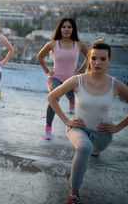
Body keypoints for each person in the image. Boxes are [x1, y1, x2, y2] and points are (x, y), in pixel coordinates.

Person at [47, 40, 128, 204]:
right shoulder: (78, 80)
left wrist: (118, 127)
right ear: (89, 59)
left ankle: (93, 151)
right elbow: (51, 97)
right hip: (79, 129)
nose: (97, 63)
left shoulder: (115, 84)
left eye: (103, 59)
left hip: (103, 136)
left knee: (92, 150)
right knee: (84, 147)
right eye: (94, 58)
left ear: (109, 60)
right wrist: (66, 120)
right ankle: (74, 194)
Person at [37, 17, 88, 140]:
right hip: (55, 78)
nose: (66, 29)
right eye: (63, 27)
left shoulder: (79, 44)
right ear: (60, 29)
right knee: (54, 99)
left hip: (71, 80)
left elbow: (89, 57)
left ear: (73, 29)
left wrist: (80, 71)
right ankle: (48, 128)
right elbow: (40, 56)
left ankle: (71, 103)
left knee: (71, 97)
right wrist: (47, 71)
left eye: (69, 27)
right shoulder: (53, 44)